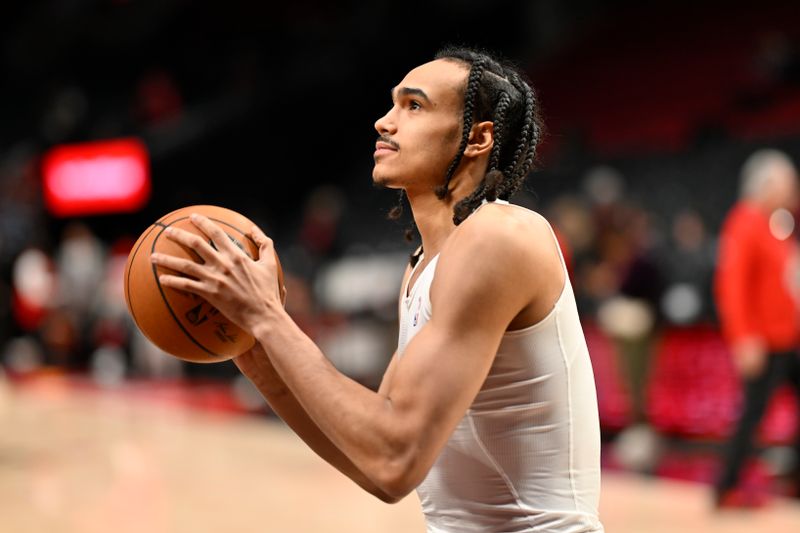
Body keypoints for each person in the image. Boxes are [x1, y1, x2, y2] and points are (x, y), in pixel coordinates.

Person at [151, 46, 604, 532]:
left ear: (478, 138)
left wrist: (269, 317)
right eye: (391, 104)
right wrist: (254, 350)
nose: (384, 122)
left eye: (413, 106)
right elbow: (369, 456)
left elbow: (394, 460)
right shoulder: (424, 267)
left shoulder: (500, 236)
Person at [713, 148, 800, 507]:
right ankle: (727, 486)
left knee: (760, 411)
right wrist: (743, 337)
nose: (792, 192)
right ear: (766, 185)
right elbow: (731, 285)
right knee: (753, 413)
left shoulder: (774, 224)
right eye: (787, 185)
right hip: (763, 339)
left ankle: (793, 476)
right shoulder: (745, 221)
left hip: (787, 337)